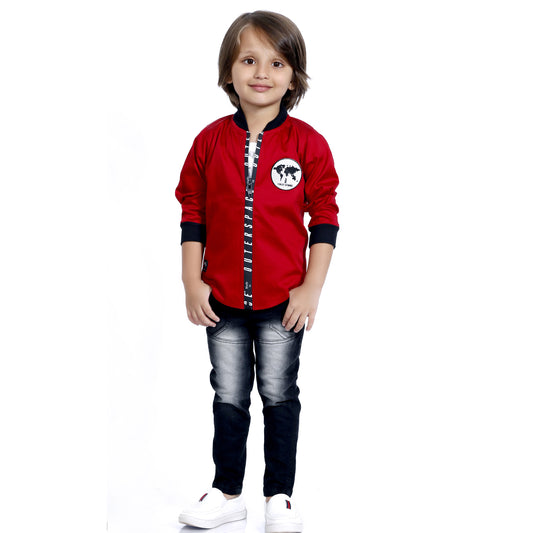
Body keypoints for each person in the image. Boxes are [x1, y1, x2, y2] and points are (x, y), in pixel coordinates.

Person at [175, 10, 339, 532]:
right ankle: (227, 492)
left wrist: (311, 288)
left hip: (282, 303)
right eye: (249, 60)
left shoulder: (308, 144)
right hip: (221, 300)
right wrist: (192, 280)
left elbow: (325, 217)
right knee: (228, 395)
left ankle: (279, 496)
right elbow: (193, 212)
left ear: (294, 77)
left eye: (277, 62)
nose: (262, 72)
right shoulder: (209, 141)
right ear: (229, 71)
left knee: (278, 394)